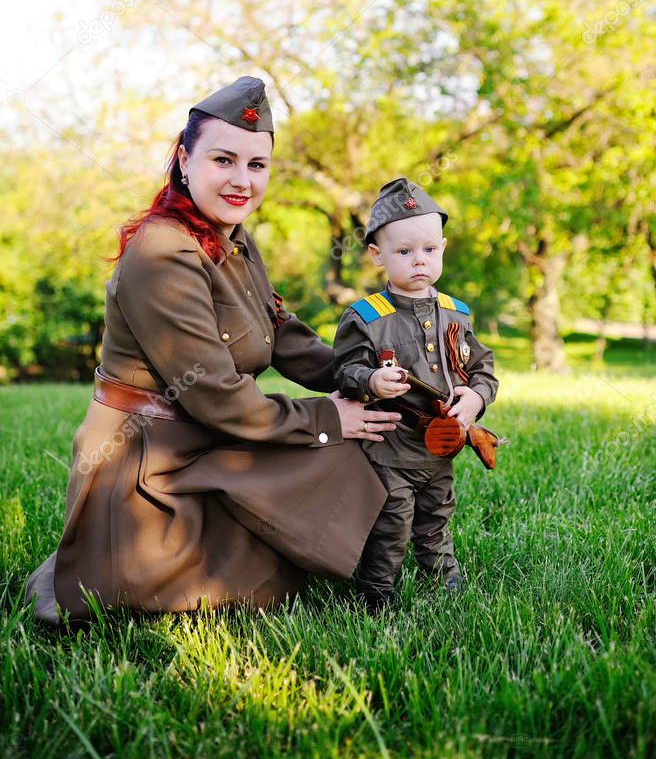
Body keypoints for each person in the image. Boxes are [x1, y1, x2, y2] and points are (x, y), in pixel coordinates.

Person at [24, 76, 399, 624]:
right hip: (147, 463)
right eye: (224, 160)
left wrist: (366, 375)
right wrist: (327, 417)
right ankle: (115, 563)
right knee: (333, 453)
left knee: (356, 445)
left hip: (204, 439)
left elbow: (283, 334)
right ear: (183, 158)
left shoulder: (234, 238)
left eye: (257, 165)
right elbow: (218, 398)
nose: (242, 181)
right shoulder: (161, 252)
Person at [333, 177, 499, 611]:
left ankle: (445, 581)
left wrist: (476, 398)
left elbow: (483, 367)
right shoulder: (367, 317)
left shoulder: (456, 313)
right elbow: (345, 370)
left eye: (428, 250)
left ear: (442, 248)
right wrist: (369, 380)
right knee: (393, 520)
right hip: (391, 446)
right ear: (377, 256)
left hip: (442, 445)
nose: (418, 261)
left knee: (437, 514)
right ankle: (376, 594)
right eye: (404, 252)